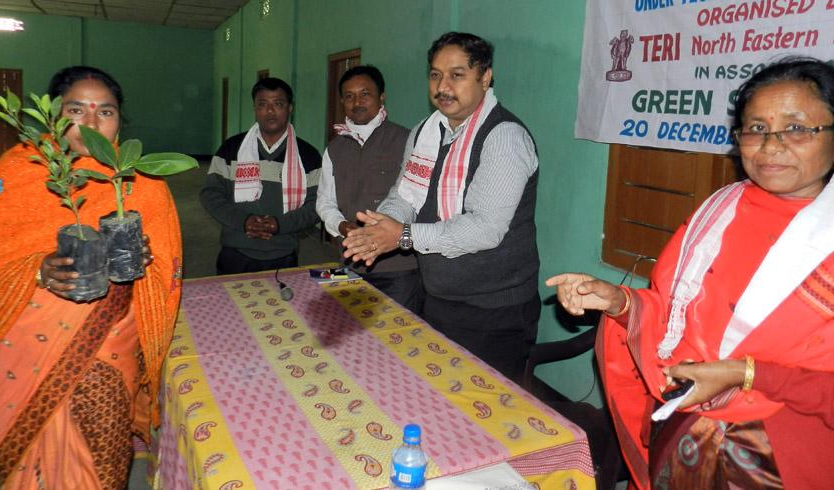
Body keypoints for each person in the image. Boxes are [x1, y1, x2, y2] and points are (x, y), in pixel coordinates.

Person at [547, 57, 834, 489]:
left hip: (780, 455)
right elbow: (673, 314)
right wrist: (619, 302)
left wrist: (747, 373)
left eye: (796, 129)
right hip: (683, 429)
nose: (771, 146)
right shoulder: (719, 210)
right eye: (756, 129)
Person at [0, 66, 183, 489]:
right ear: (55, 116)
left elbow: (166, 272)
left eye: (106, 112)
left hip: (109, 349)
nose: (92, 124)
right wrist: (35, 270)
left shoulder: (142, 183)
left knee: (104, 461)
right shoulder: (15, 175)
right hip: (24, 347)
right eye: (78, 110)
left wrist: (144, 263)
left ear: (120, 121)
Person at [343, 32, 541, 382]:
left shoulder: (504, 137)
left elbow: (484, 228)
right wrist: (380, 228)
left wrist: (401, 237)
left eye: (457, 74)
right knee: (437, 396)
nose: (443, 86)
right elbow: (405, 195)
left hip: (494, 309)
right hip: (437, 295)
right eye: (435, 75)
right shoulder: (425, 132)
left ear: (485, 77)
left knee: (488, 414)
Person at [316, 65, 423, 312]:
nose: (357, 102)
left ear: (382, 96)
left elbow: (419, 200)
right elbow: (324, 201)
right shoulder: (335, 148)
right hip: (351, 264)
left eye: (365, 94)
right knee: (353, 334)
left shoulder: (407, 141)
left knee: (400, 337)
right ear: (342, 100)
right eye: (349, 96)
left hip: (399, 268)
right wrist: (341, 226)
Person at [201, 77, 321, 275]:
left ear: (290, 108)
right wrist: (244, 220)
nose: (270, 111)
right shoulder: (231, 148)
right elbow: (210, 194)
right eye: (262, 104)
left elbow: (316, 205)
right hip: (235, 251)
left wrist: (279, 224)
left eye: (278, 104)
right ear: (255, 108)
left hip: (283, 252)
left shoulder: (308, 155)